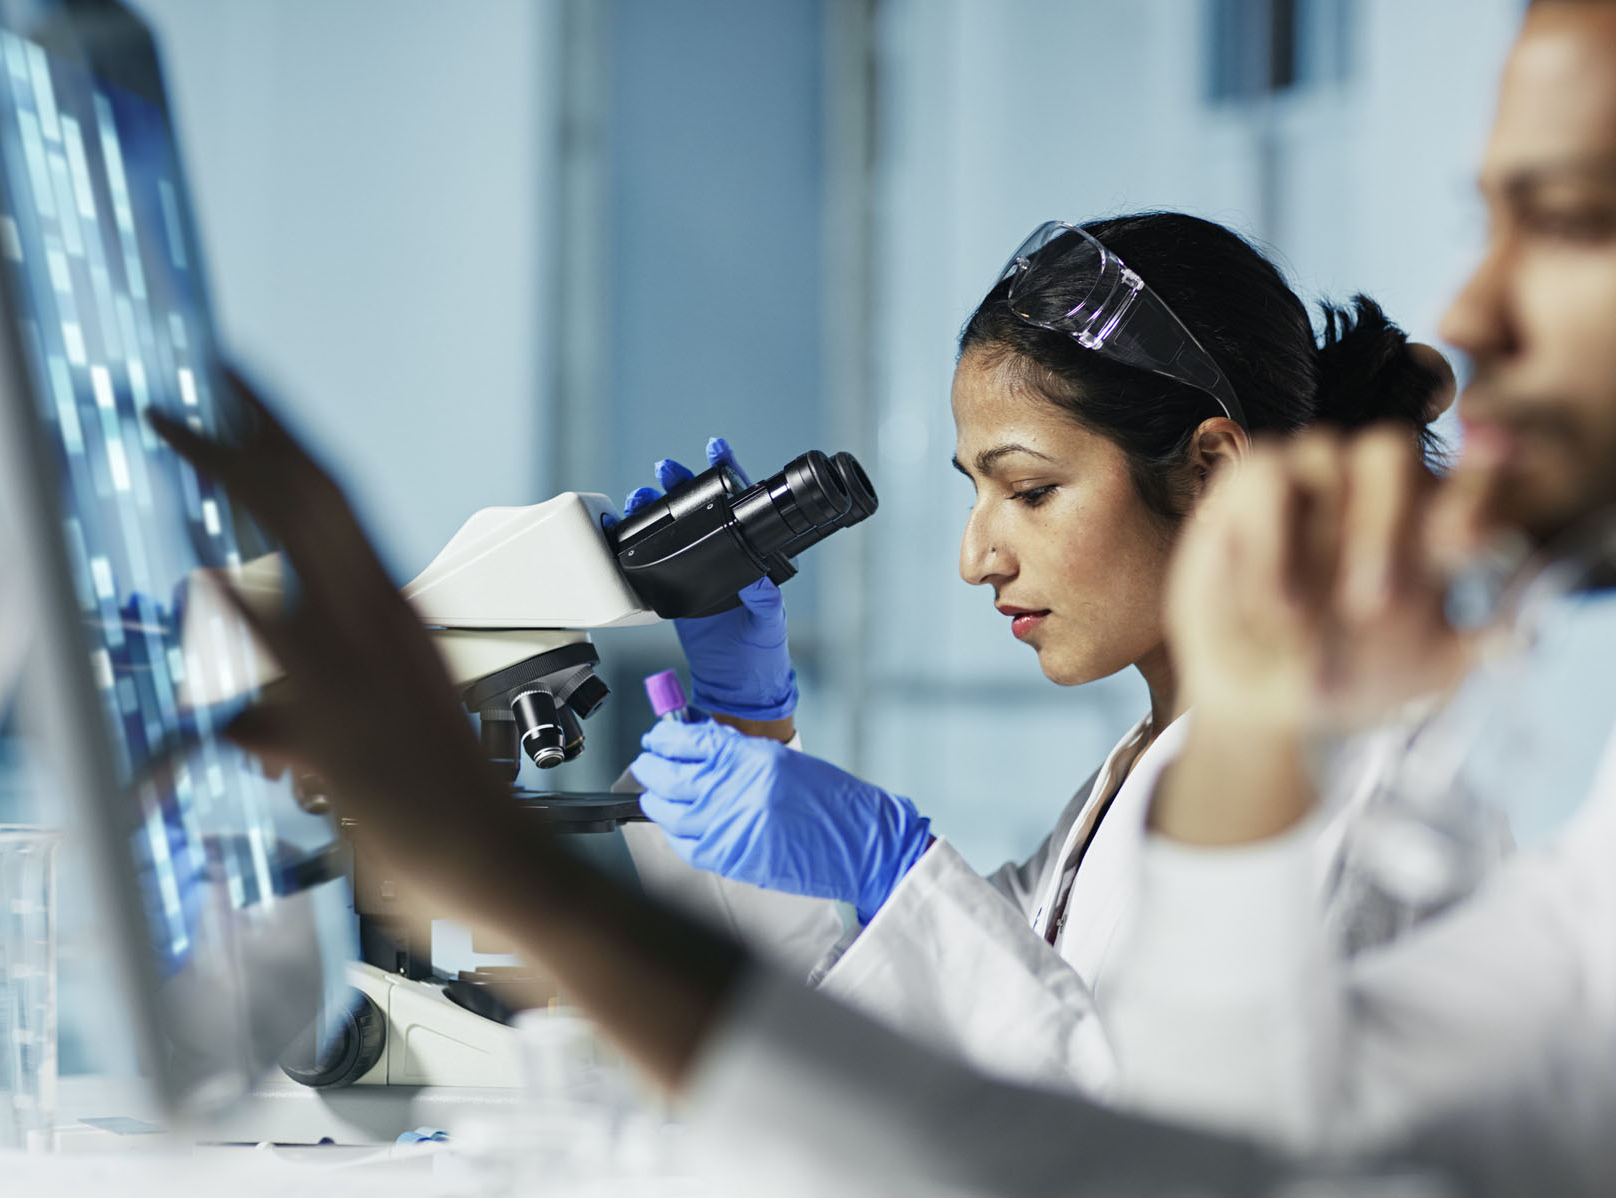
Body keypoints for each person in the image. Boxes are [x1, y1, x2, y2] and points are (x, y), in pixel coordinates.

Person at [152, 0, 1616, 1193]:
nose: (1473, 318)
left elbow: (1144, 1159)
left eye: (1566, 224)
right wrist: (747, 776)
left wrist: (504, 853)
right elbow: (1167, 1122)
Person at [610, 211, 1471, 1091]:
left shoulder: (1338, 791)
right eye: (978, 491)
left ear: (1212, 471)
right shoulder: (1137, 781)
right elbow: (882, 1071)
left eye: (1029, 490)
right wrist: (747, 725)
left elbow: (1156, 1155)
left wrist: (898, 872)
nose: (976, 558)